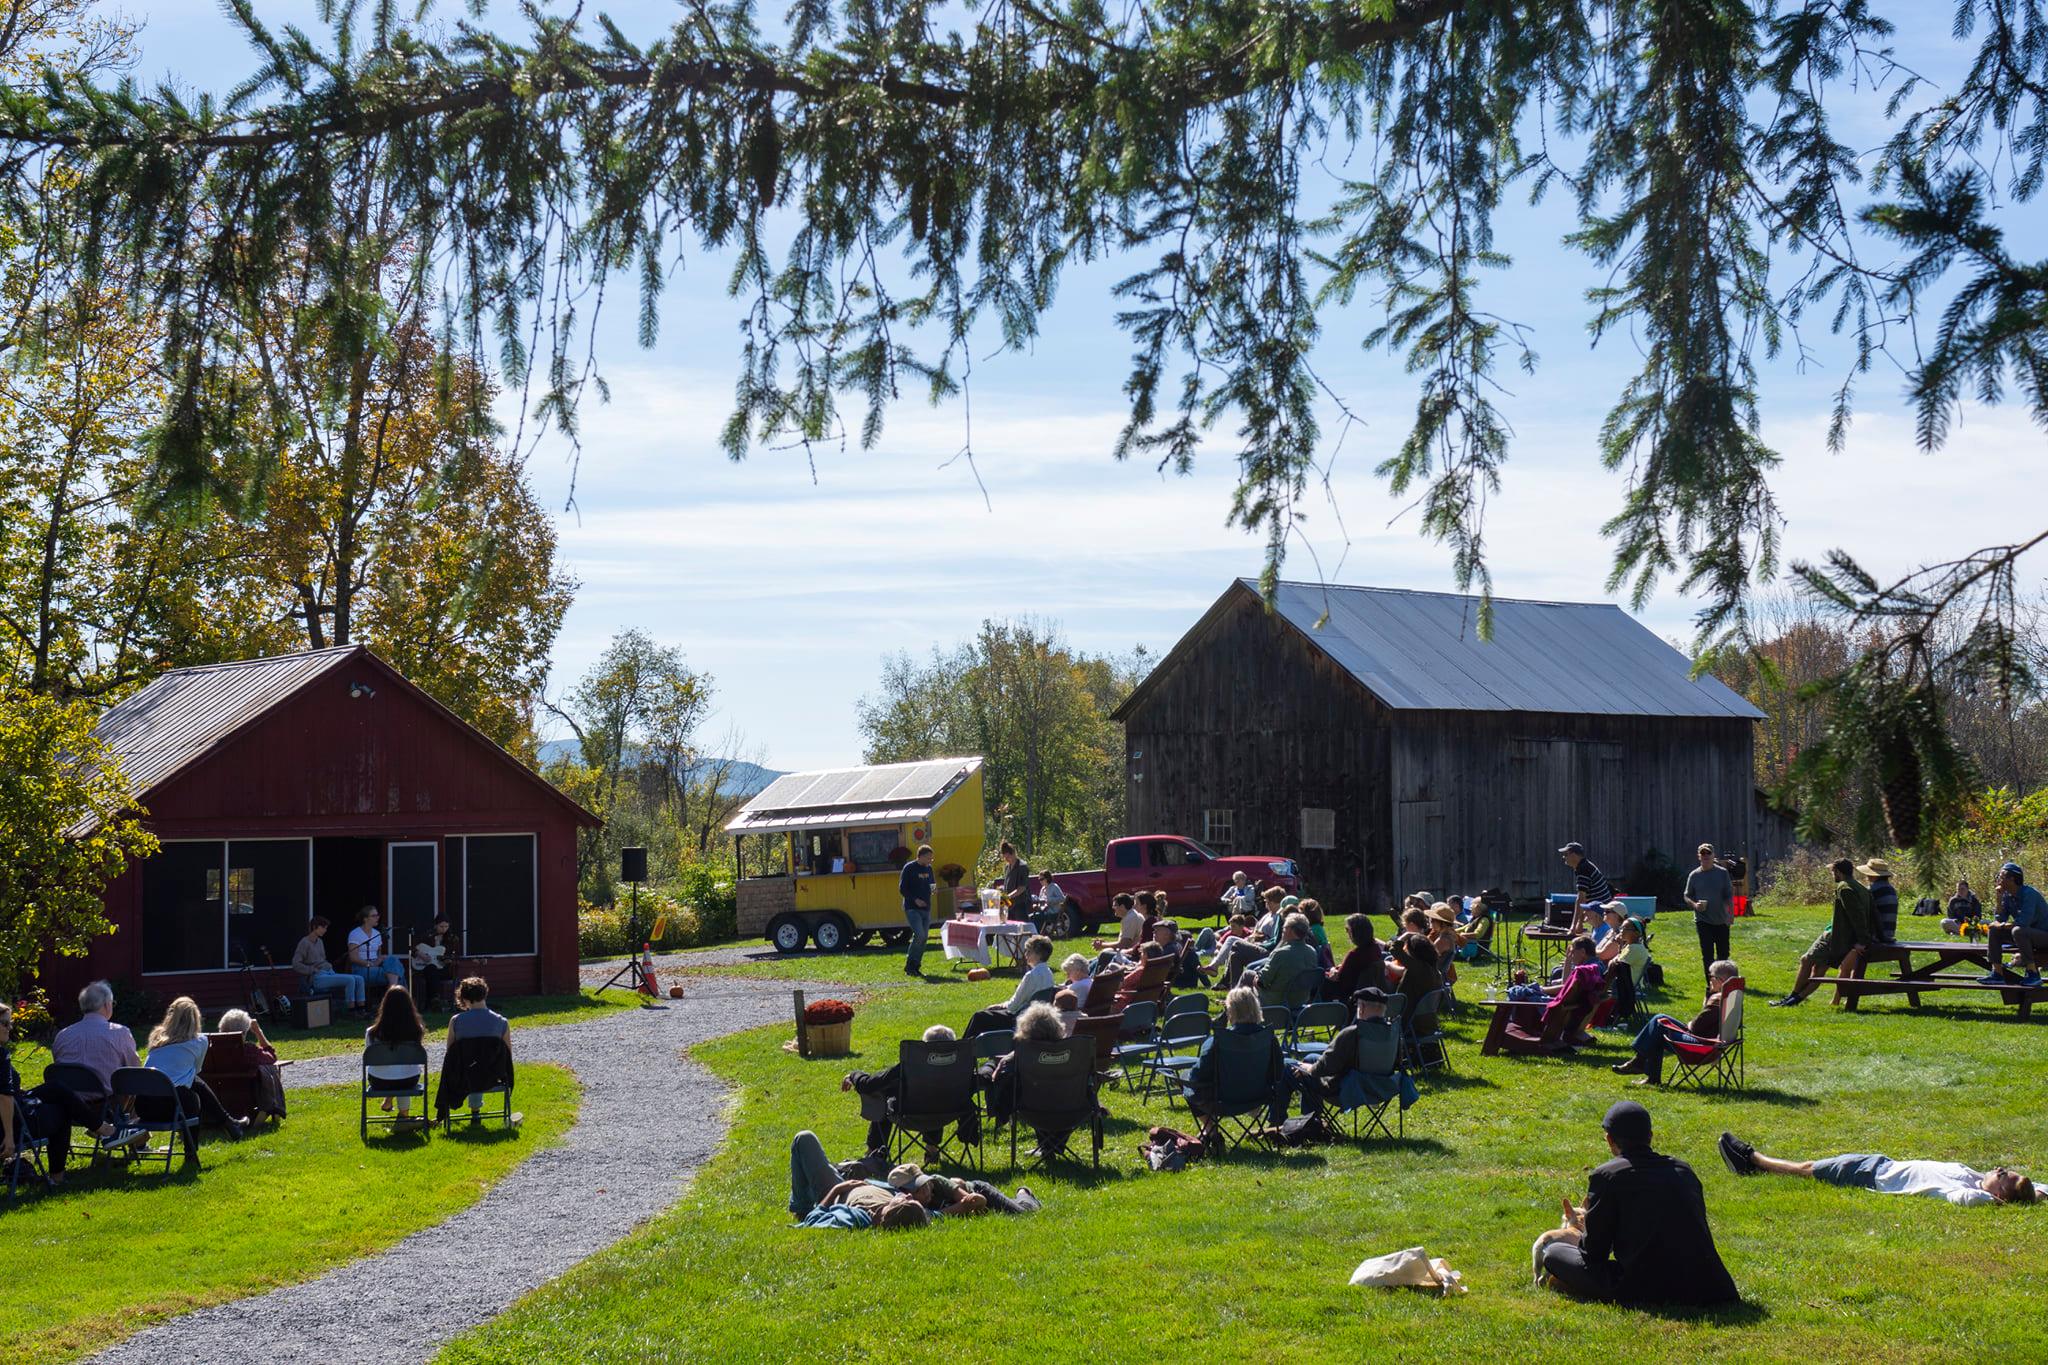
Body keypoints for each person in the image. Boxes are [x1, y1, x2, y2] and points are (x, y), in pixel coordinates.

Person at [1539, 1101, 1739, 1306]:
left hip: (1646, 1286)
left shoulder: (1607, 1176)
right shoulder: (1683, 1170)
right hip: (1709, 1284)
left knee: (1554, 1253)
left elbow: (1593, 1253)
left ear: (1609, 1140)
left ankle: (1574, 1286)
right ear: (1650, 1136)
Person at [1718, 1133, 2036, 1205]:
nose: (1999, 1168)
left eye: (2004, 1174)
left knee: (1809, 1168)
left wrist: (1996, 1203)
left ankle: (1752, 1161)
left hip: (1870, 1174)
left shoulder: (1962, 1192)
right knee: (1813, 1166)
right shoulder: (1974, 1177)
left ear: (2000, 1193)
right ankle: (1755, 1163)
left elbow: (1967, 1201)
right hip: (1881, 1162)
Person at [0, 1004, 126, 1183]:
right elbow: (4, 1096)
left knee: (55, 1089)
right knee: (62, 1109)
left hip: (15, 1108)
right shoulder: (0, 1055)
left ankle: (100, 1128)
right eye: (5, 1024)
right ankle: (58, 1176)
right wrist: (9, 1137)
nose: (9, 1028)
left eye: (10, 1023)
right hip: (10, 1125)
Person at [1287, 986, 1420, 1119]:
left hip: (1347, 1091)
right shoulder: (1393, 1033)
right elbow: (1397, 1062)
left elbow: (1324, 1068)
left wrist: (1308, 1069)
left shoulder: (1352, 1033)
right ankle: (1312, 1120)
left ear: (1361, 1008)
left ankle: (1288, 1121)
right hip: (1382, 1088)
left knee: (1289, 1066)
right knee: (1311, 1058)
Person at [843, 1023, 966, 1153]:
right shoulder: (960, 1069)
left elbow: (869, 1085)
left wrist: (854, 1075)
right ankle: (932, 1147)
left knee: (884, 1096)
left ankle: (874, 1151)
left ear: (924, 1046)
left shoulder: (909, 1066)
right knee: (937, 1094)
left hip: (909, 1115)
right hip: (949, 1113)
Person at [1612, 960, 1740, 1085]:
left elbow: (1695, 1028)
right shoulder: (1732, 998)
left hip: (1702, 1048)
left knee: (1659, 1025)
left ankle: (1640, 1064)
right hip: (1716, 1046)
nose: (1710, 979)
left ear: (1720, 980)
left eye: (1711, 976)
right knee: (1659, 1020)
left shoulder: (1717, 1000)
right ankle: (1645, 1070)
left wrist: (1690, 1022)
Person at [143, 996, 247, 1149]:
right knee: (191, 1095)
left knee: (188, 1088)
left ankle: (230, 1123)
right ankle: (193, 1151)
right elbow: (196, 1071)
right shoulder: (199, 1041)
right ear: (195, 1019)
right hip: (172, 1107)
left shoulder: (156, 1039)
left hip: (144, 1106)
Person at [1771, 858, 1872, 1006]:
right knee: (1819, 970)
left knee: (1806, 960)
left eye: (1833, 872)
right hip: (1841, 937)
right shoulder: (1861, 888)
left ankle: (1792, 997)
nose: (1833, 875)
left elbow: (1857, 917)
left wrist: (1861, 941)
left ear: (1838, 872)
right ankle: (1794, 1000)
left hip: (1835, 936)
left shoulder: (1845, 888)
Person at [786, 1129, 932, 1230]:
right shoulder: (913, 1212)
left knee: (804, 1138)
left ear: (893, 1210)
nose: (909, 1195)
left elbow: (812, 1220)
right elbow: (941, 1211)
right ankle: (838, 1168)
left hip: (837, 1190)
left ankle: (801, 1207)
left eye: (906, 1200)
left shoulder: (859, 1217)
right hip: (854, 1179)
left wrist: (838, 1189)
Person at [1185, 986, 1288, 1129]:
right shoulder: (1268, 1037)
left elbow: (1197, 1075)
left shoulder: (1218, 1041)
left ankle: (1210, 1130)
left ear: (1230, 1011)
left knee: (1186, 1078)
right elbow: (1279, 1072)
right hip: (1260, 1096)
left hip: (1224, 1100)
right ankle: (1210, 1131)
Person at [49, 979, 141, 1103]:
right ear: (107, 1005)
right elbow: (135, 1071)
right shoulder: (119, 1033)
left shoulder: (63, 1035)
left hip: (70, 1106)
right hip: (108, 1104)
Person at [445, 976, 514, 1122]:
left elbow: (450, 1053)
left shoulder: (456, 1021)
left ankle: (474, 1111)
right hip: (493, 1074)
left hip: (463, 1075)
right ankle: (476, 1111)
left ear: (464, 998)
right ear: (485, 994)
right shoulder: (502, 1022)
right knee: (480, 1063)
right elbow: (507, 1055)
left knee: (472, 1063)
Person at [963, 935, 1057, 1039]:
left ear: (1038, 955)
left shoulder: (1031, 976)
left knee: (979, 1017)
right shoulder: (1049, 973)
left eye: (1029, 951)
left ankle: (963, 1048)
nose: (1025, 954)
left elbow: (1013, 1007)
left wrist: (999, 1005)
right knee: (985, 1014)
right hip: (1037, 1017)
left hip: (1021, 1018)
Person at [364, 985, 427, 1121]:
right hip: (408, 1080)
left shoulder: (371, 1032)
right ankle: (403, 1115)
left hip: (379, 1081)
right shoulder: (417, 1030)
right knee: (403, 1072)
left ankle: (390, 1102)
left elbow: (370, 1057)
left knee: (396, 1071)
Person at [1982, 861, 2048, 987]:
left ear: (2011, 879)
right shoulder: (2007, 895)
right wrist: (1999, 899)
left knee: (2018, 931)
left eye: (2001, 877)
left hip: (2044, 935)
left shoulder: (2029, 894)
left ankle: (2032, 973)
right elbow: (2000, 919)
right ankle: (1997, 973)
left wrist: (2000, 925)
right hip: (2027, 935)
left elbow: (2023, 922)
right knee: (1994, 930)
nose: (1998, 880)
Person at [216, 1006, 287, 1119]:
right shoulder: (249, 1051)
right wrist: (259, 1032)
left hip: (221, 1095)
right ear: (244, 1032)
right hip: (248, 1095)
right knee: (268, 1069)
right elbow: (271, 1057)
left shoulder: (214, 1051)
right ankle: (272, 1108)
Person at [291, 915, 367, 1011]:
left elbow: (322, 959)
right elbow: (296, 964)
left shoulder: (320, 942)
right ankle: (351, 1011)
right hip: (316, 977)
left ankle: (362, 1009)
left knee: (359, 978)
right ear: (314, 927)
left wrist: (328, 966)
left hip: (328, 973)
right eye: (323, 928)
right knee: (350, 980)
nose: (325, 930)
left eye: (326, 928)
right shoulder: (304, 943)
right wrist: (312, 970)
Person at [1683, 843, 1736, 980]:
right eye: (1703, 853)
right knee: (1707, 953)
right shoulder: (1694, 875)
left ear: (1713, 856)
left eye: (1708, 853)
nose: (1705, 856)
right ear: (1698, 856)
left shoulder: (1722, 873)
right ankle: (1711, 983)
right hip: (1703, 920)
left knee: (1723, 954)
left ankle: (1723, 980)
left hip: (1721, 919)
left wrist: (1731, 914)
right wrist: (1695, 905)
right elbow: (1687, 895)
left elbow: (1729, 895)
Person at [1248, 913, 1319, 1005]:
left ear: (1290, 930)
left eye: (1284, 928)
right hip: (1301, 1000)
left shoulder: (1280, 953)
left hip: (1276, 1001)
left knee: (1248, 975)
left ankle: (1233, 1010)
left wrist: (1256, 977)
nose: (1283, 931)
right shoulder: (1312, 952)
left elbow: (1261, 982)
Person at [346, 905, 408, 997]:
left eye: (378, 915)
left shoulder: (377, 933)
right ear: (365, 919)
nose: (377, 917)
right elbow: (353, 958)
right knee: (398, 974)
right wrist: (370, 964)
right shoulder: (355, 933)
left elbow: (378, 954)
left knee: (392, 960)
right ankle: (397, 999)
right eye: (374, 916)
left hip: (376, 966)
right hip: (362, 968)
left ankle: (391, 993)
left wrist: (380, 959)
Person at [897, 844, 937, 977]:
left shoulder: (929, 869)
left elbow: (932, 883)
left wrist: (933, 890)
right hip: (912, 908)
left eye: (932, 859)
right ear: (921, 856)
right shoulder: (909, 868)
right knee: (919, 935)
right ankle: (910, 964)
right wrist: (915, 900)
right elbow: (902, 889)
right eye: (929, 858)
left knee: (924, 938)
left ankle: (915, 965)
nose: (930, 861)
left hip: (926, 907)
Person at [1560, 841, 1616, 934]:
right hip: (1603, 912)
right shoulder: (1583, 866)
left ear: (1574, 855)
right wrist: (1579, 924)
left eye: (1566, 854)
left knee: (1599, 942)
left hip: (1601, 914)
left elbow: (1581, 899)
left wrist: (1573, 927)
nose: (1564, 857)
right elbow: (1584, 900)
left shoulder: (1583, 869)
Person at [1328, 912, 1385, 998]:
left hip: (1352, 998)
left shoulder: (1354, 955)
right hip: (1373, 996)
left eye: (1347, 929)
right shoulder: (1376, 949)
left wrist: (1332, 970)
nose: (1346, 932)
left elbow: (1340, 980)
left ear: (1355, 932)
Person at [410, 915, 462, 1006]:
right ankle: (434, 1000)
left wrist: (449, 961)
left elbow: (456, 956)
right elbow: (411, 946)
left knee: (432, 972)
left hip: (444, 970)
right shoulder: (427, 936)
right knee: (431, 969)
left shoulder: (453, 939)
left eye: (446, 926)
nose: (444, 929)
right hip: (426, 968)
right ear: (435, 925)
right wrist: (420, 954)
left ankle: (431, 1001)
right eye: (441, 926)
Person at [1862, 857, 1899, 945]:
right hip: (1889, 934)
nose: (1866, 876)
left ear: (1874, 875)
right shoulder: (1891, 889)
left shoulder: (1873, 890)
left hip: (1878, 936)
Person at [992, 841, 1032, 919]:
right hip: (1009, 904)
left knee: (1022, 928)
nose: (1007, 860)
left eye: (1008, 857)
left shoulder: (1022, 867)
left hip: (1021, 904)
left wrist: (1008, 896)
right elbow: (1009, 883)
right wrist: (1002, 889)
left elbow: (1022, 887)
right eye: (1005, 858)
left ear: (1014, 853)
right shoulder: (1007, 867)